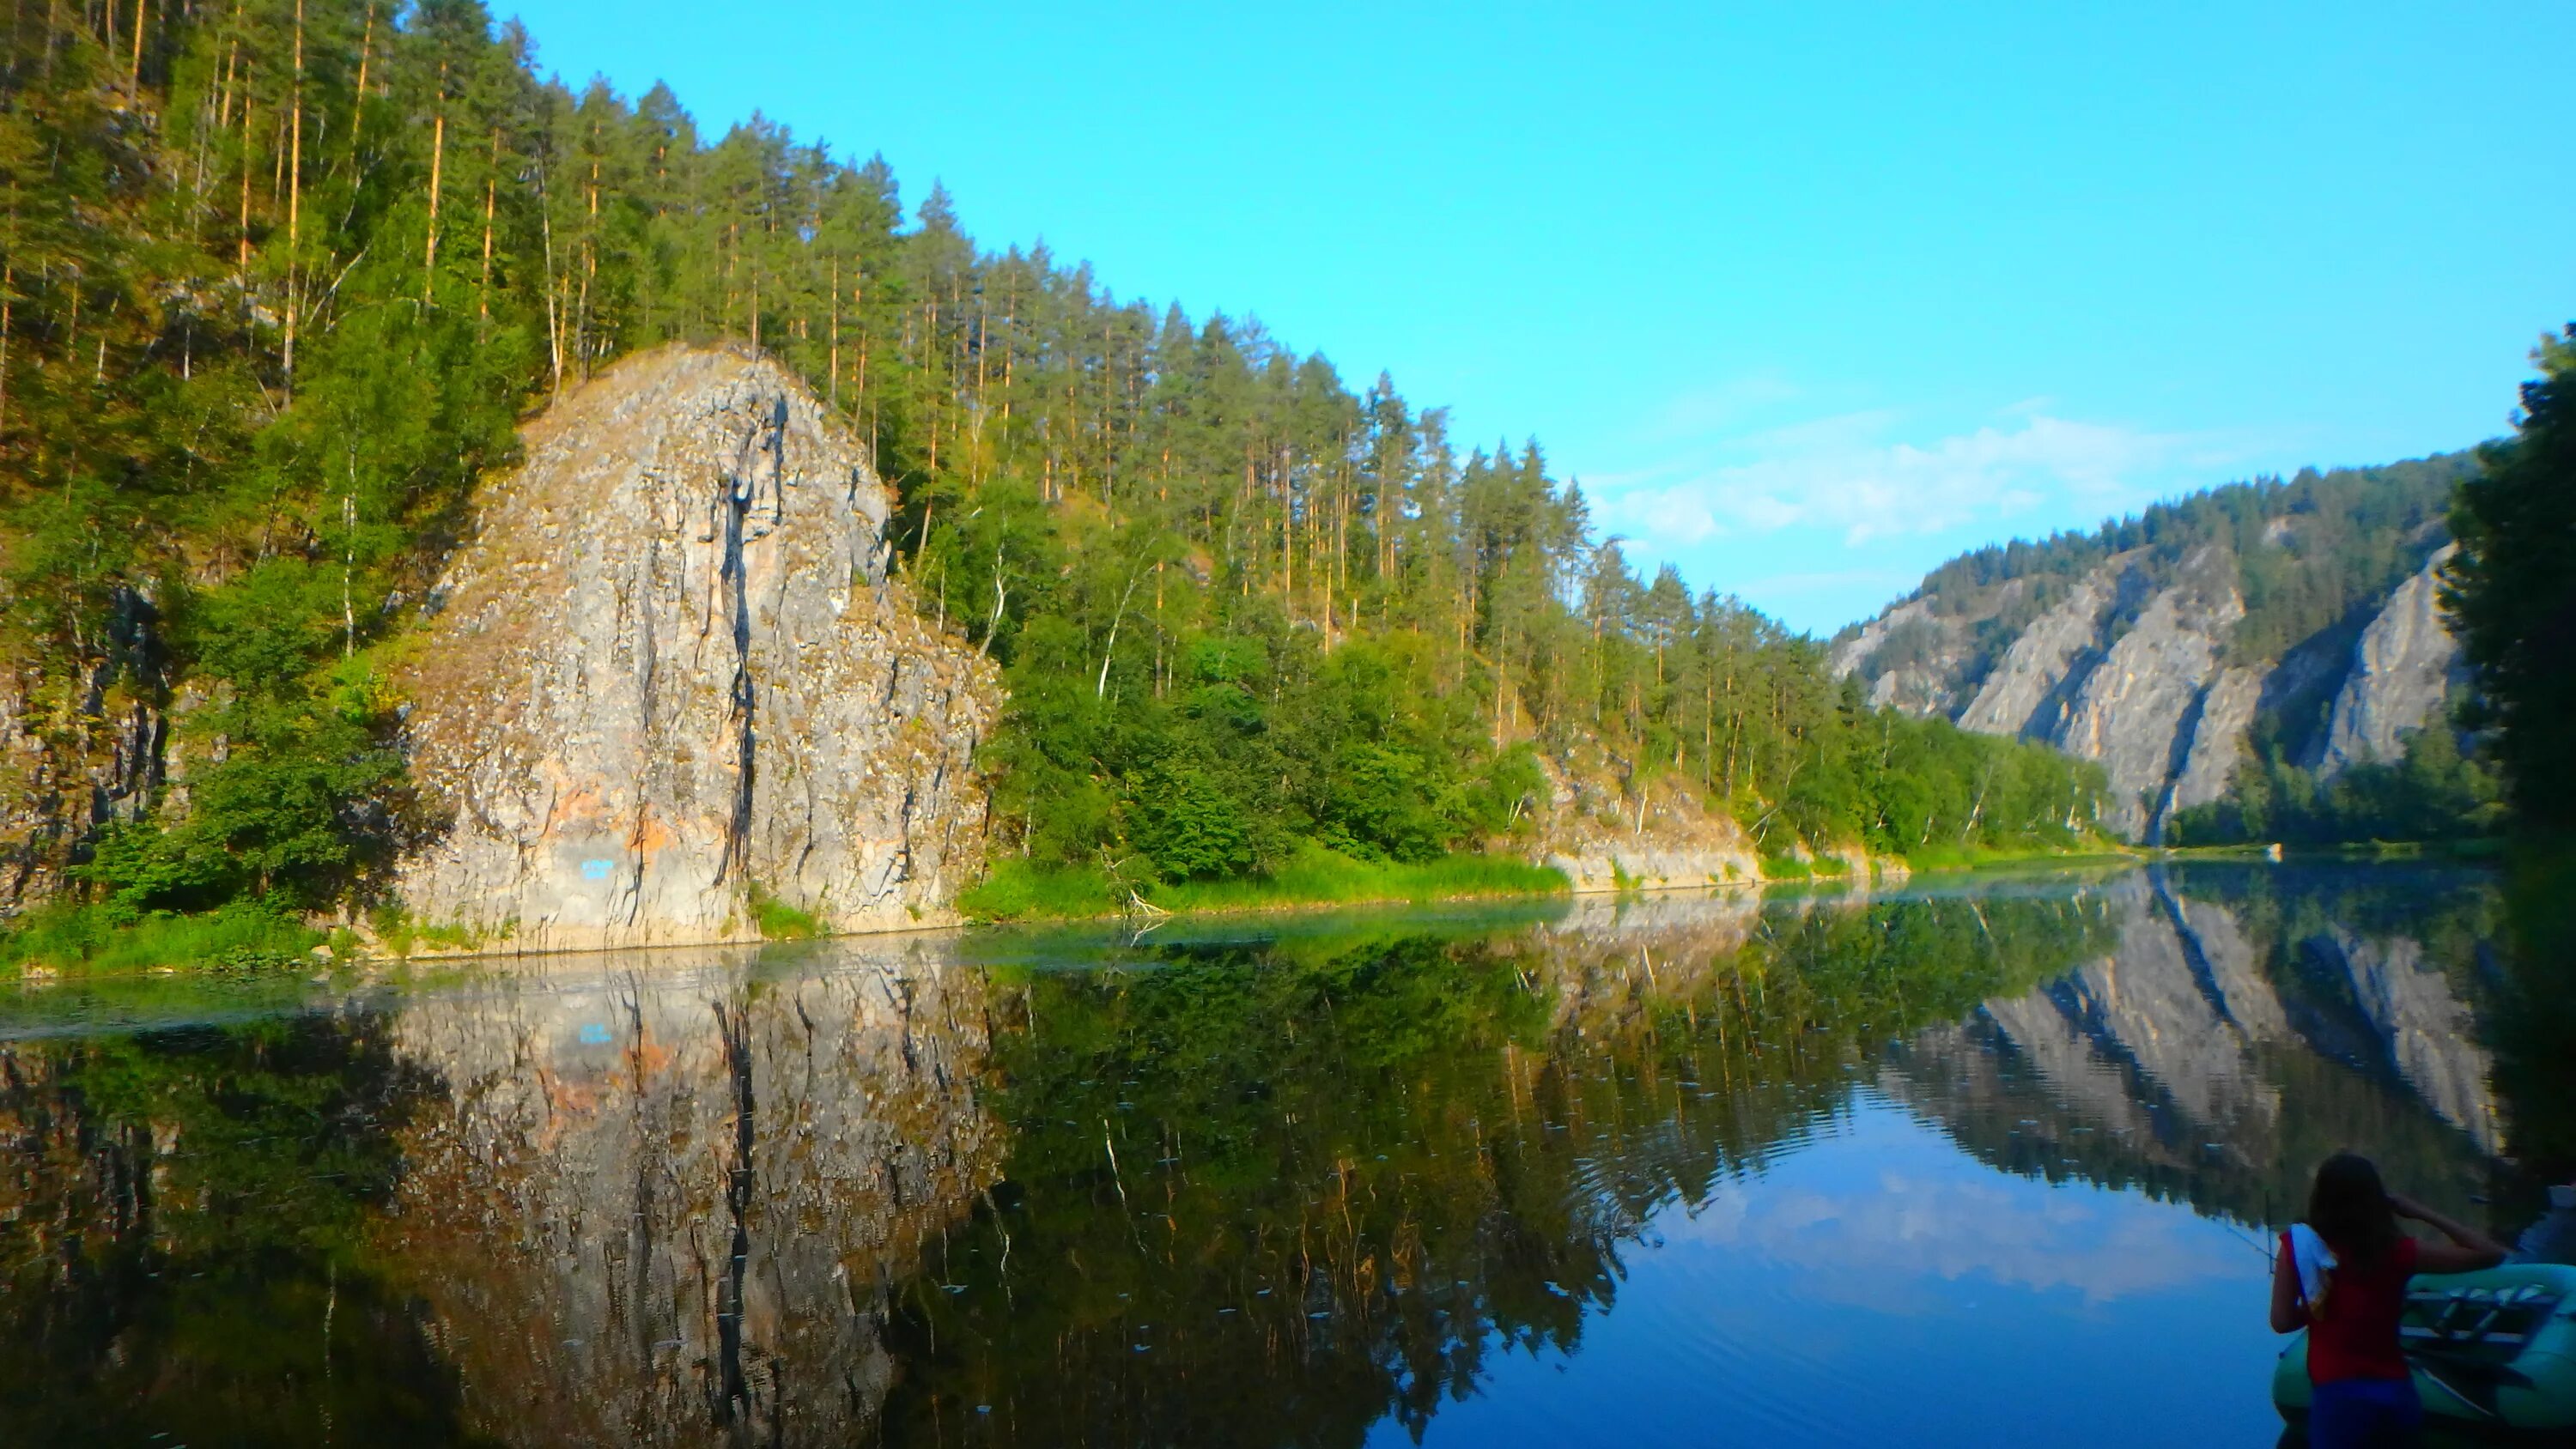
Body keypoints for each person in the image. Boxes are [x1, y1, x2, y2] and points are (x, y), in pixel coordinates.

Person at [2269, 1152, 2507, 1448]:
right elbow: (2491, 1254)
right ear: (2376, 1200)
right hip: (2395, 1395)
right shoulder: (2397, 1252)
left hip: (2338, 1402)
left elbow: (2281, 1322)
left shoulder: (2298, 1247)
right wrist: (2421, 1212)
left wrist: (2317, 1302)